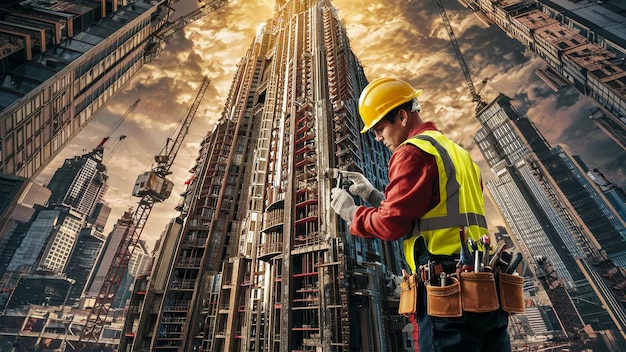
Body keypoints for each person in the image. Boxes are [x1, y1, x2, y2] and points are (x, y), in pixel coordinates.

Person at [330, 77, 511, 352]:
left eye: (380, 128)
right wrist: (371, 194)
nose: (378, 138)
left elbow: (392, 224)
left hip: (449, 297)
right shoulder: (457, 154)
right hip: (486, 293)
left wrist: (351, 211)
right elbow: (427, 211)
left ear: (401, 116)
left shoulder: (411, 153)